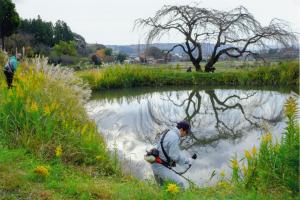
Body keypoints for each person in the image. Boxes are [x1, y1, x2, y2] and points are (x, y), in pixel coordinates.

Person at [147, 120, 196, 189]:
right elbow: (174, 156)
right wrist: (187, 161)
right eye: (186, 132)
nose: (186, 135)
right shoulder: (174, 137)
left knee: (163, 188)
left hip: (155, 164)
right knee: (180, 184)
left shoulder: (168, 132)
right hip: (160, 167)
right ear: (181, 130)